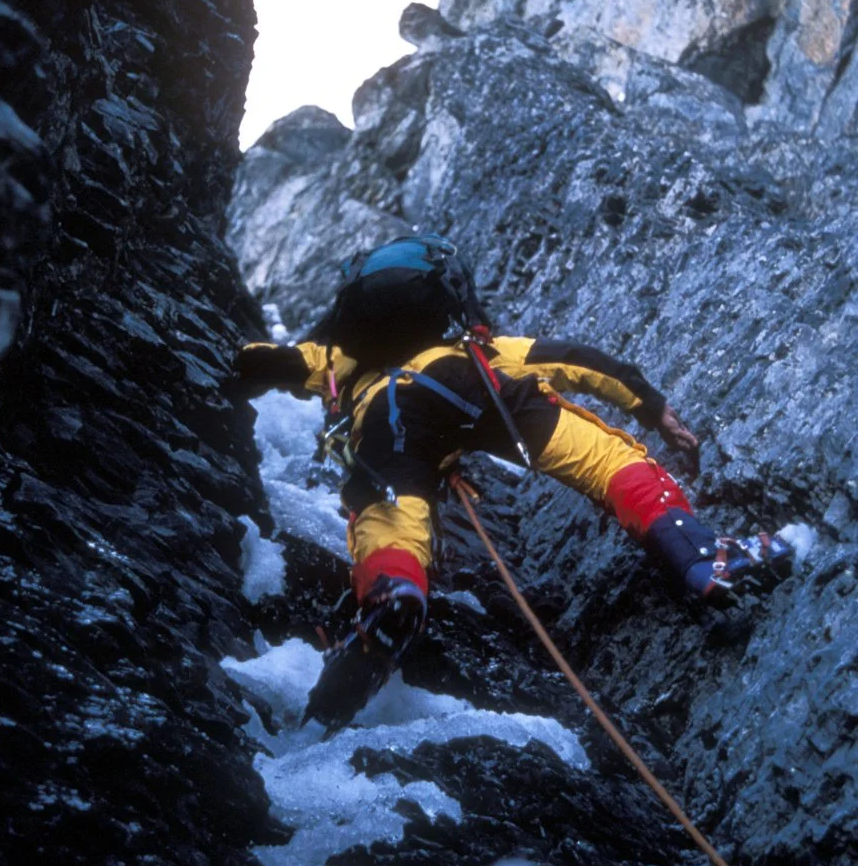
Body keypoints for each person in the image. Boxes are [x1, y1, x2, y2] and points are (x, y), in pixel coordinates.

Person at [229, 236, 793, 731]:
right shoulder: (479, 348)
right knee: (603, 458)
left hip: (387, 414)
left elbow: (271, 362)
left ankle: (394, 596)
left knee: (392, 517)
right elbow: (581, 362)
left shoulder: (340, 358)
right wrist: (654, 408)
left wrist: (229, 369)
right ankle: (700, 555)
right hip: (473, 385)